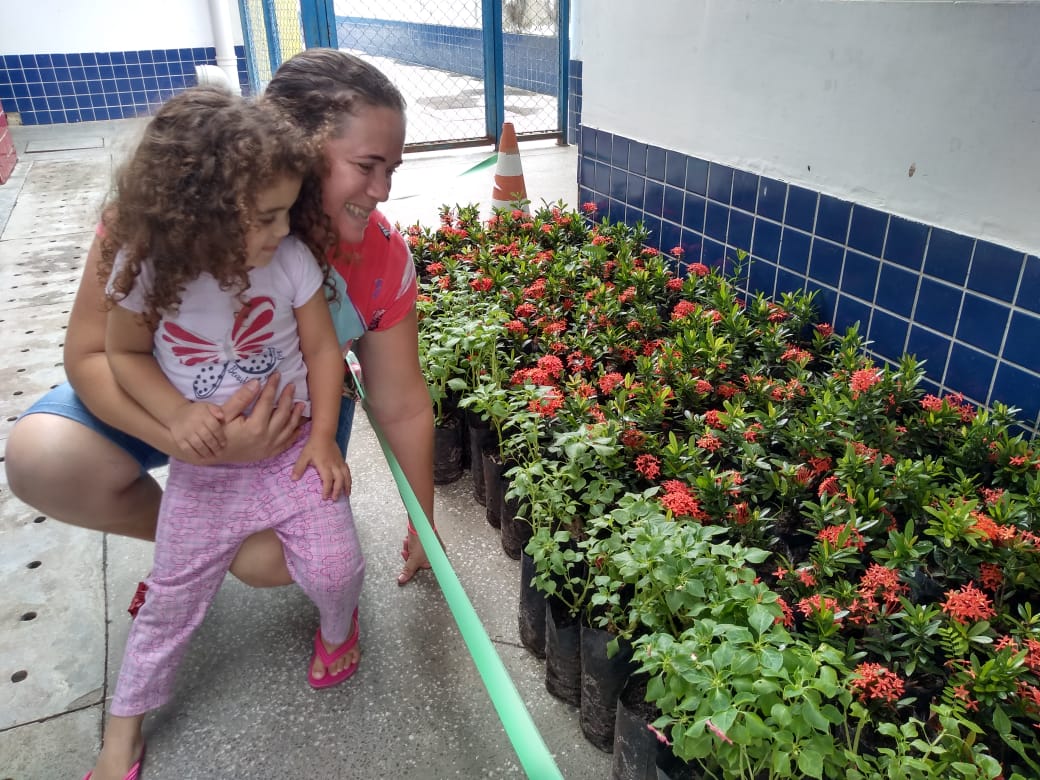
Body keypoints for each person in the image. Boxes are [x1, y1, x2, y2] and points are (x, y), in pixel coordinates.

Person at [5, 48, 437, 593]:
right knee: (43, 458)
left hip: (286, 420)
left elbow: (402, 404)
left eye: (391, 170)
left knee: (279, 563)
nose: (382, 191)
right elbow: (92, 355)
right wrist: (180, 433)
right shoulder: (155, 219)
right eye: (366, 166)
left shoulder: (380, 257)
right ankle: (191, 553)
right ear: (296, 150)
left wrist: (423, 523)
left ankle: (217, 542)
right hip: (166, 402)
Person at [83, 87, 368, 780]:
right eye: (265, 216)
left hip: (292, 451)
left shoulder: (290, 260)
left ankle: (341, 629)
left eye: (286, 212)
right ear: (199, 213)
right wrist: (176, 418)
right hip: (203, 469)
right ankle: (124, 727)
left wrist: (325, 437)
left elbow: (326, 352)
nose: (280, 231)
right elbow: (122, 355)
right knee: (172, 600)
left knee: (340, 567)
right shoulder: (147, 270)